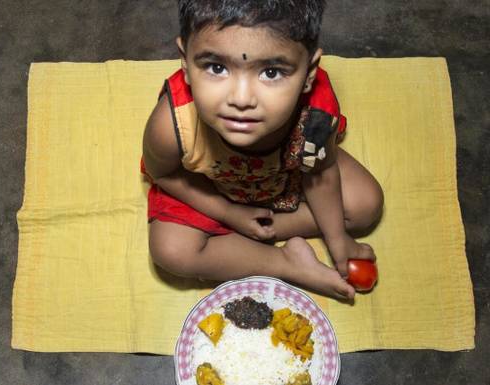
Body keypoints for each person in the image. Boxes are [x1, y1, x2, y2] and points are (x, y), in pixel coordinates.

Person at [142, 0, 383, 299]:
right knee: (172, 252)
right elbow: (161, 173)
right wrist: (229, 212)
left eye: (271, 72)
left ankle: (251, 233)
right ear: (185, 62)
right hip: (210, 189)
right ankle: (287, 264)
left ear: (309, 74)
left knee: (365, 205)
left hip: (286, 176)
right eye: (216, 67)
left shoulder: (315, 118)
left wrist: (338, 241)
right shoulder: (172, 125)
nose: (241, 99)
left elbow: (320, 172)